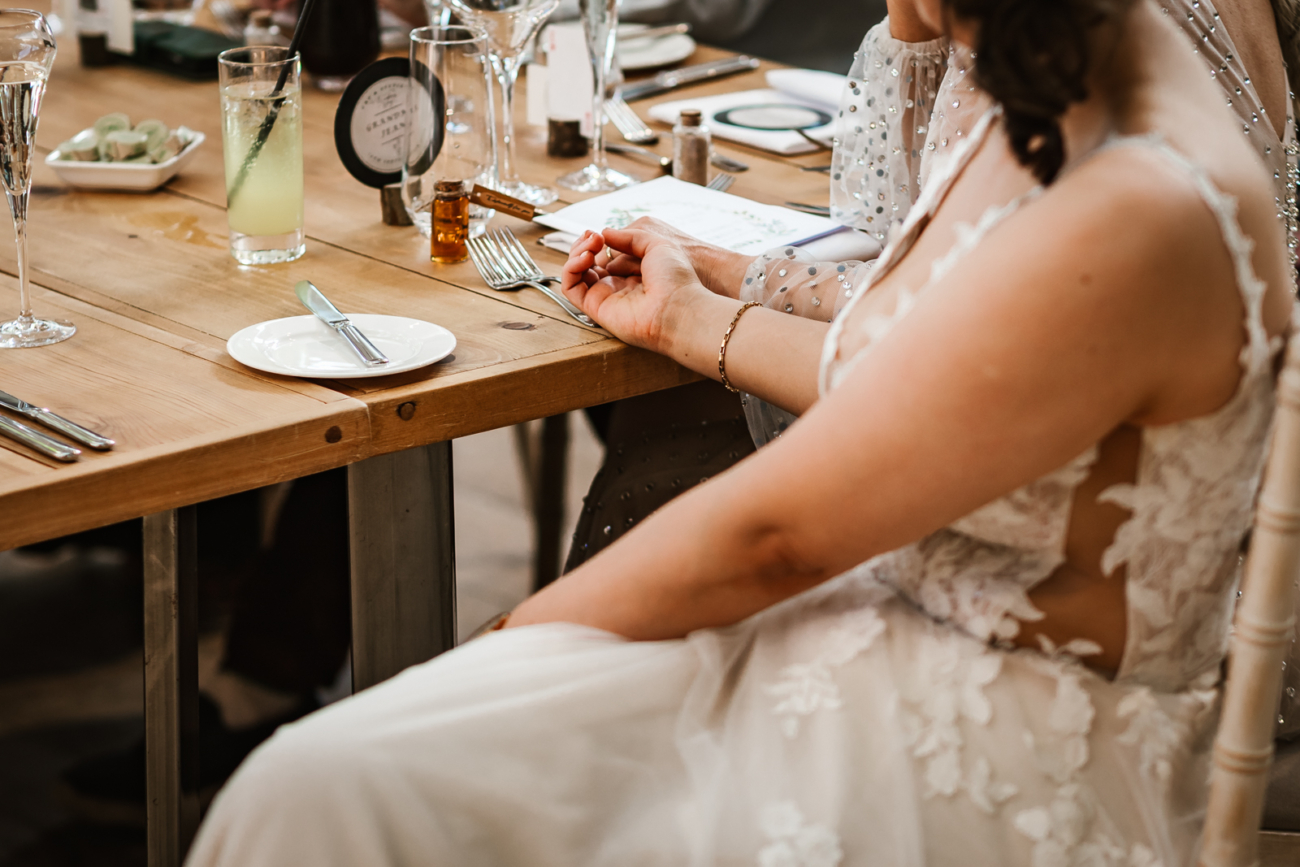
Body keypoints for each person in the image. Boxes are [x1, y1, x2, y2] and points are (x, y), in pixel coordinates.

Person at [185, 1, 1291, 865]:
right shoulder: (1050, 82)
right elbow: (934, 353)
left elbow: (776, 535)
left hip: (998, 740)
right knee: (331, 783)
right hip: (876, 623)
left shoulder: (1130, 194)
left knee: (345, 782)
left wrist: (509, 639)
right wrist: (691, 306)